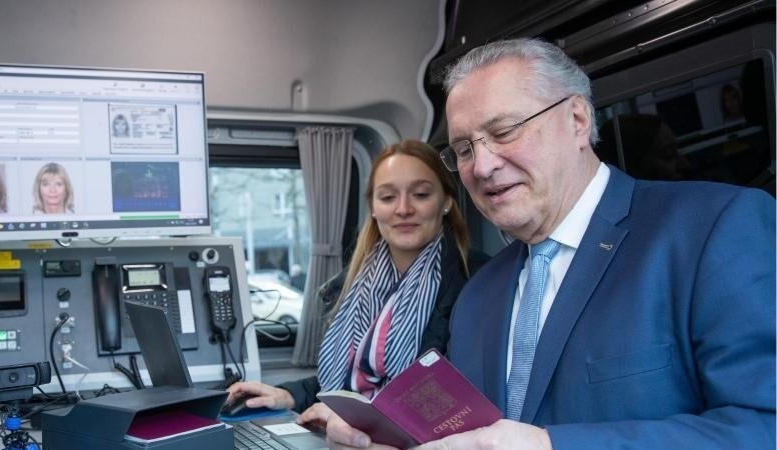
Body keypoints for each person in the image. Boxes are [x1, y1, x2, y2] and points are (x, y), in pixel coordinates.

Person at [327, 38, 775, 449]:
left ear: (578, 121)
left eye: (504, 132)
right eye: (464, 149)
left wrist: (551, 446)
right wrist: (392, 438)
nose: (481, 166)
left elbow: (765, 427)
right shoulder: (480, 293)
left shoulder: (713, 229)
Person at [226, 139, 486, 426]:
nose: (403, 209)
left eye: (421, 194)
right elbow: (349, 381)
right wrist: (287, 395)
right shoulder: (352, 284)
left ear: (446, 202)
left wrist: (358, 419)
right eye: (387, 197)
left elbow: (454, 403)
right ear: (373, 208)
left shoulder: (478, 282)